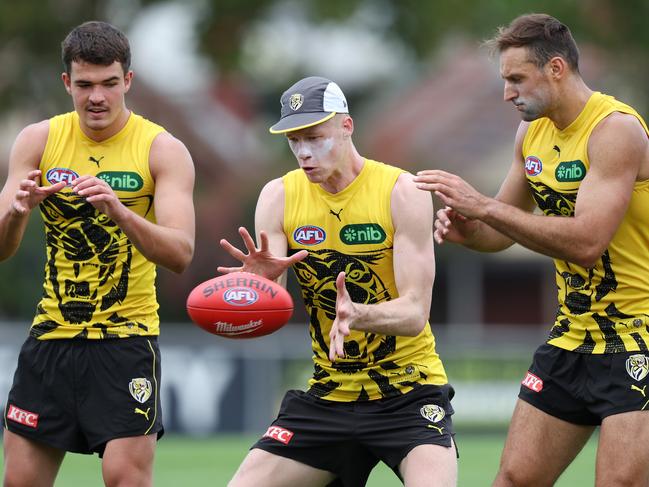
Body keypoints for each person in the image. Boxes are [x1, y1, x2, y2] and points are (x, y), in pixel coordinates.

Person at [415, 13, 649, 487]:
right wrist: (472, 228)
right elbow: (502, 229)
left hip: (639, 337)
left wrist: (483, 206)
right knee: (514, 480)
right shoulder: (532, 134)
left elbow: (586, 243)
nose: (507, 93)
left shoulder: (615, 130)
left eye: (517, 79)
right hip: (571, 337)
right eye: (505, 80)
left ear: (557, 68)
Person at [218, 76, 457, 486]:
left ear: (346, 127)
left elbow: (416, 312)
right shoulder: (278, 196)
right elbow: (269, 307)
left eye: (314, 137)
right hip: (329, 395)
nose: (304, 152)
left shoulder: (402, 190)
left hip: (410, 392)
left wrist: (357, 314)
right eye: (294, 141)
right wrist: (257, 292)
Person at [1, 21, 195, 487]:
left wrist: (118, 210)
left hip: (125, 342)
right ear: (67, 82)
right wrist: (17, 213)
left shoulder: (162, 150)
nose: (97, 98)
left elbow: (181, 253)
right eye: (84, 85)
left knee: (123, 478)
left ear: (128, 80)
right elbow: (1, 250)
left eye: (109, 83)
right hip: (50, 339)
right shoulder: (37, 140)